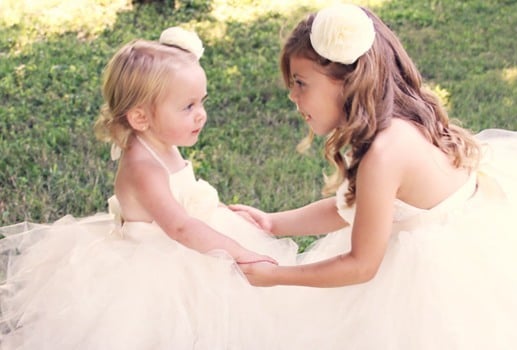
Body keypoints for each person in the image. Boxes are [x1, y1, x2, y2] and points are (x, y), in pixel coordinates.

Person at [230, 4, 517, 349]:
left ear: (345, 80)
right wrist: (273, 223)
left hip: (445, 277)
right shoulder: (395, 125)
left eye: (300, 83)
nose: (292, 96)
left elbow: (361, 264)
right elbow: (356, 208)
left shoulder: (384, 154)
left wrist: (279, 276)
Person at [0, 27, 296, 349]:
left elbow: (185, 206)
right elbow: (181, 226)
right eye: (188, 107)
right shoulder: (143, 166)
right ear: (141, 118)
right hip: (152, 263)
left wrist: (223, 214)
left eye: (202, 102)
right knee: (158, 330)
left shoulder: (163, 142)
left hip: (185, 245)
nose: (202, 115)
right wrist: (240, 252)